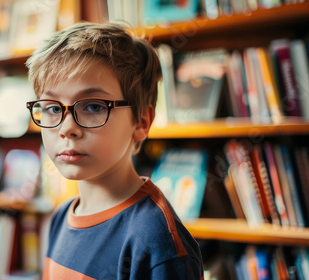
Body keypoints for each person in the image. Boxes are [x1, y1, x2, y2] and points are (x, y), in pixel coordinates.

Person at [25, 22, 203, 280]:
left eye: (94, 107)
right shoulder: (61, 217)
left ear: (141, 122)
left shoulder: (157, 241)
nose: (67, 128)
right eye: (52, 108)